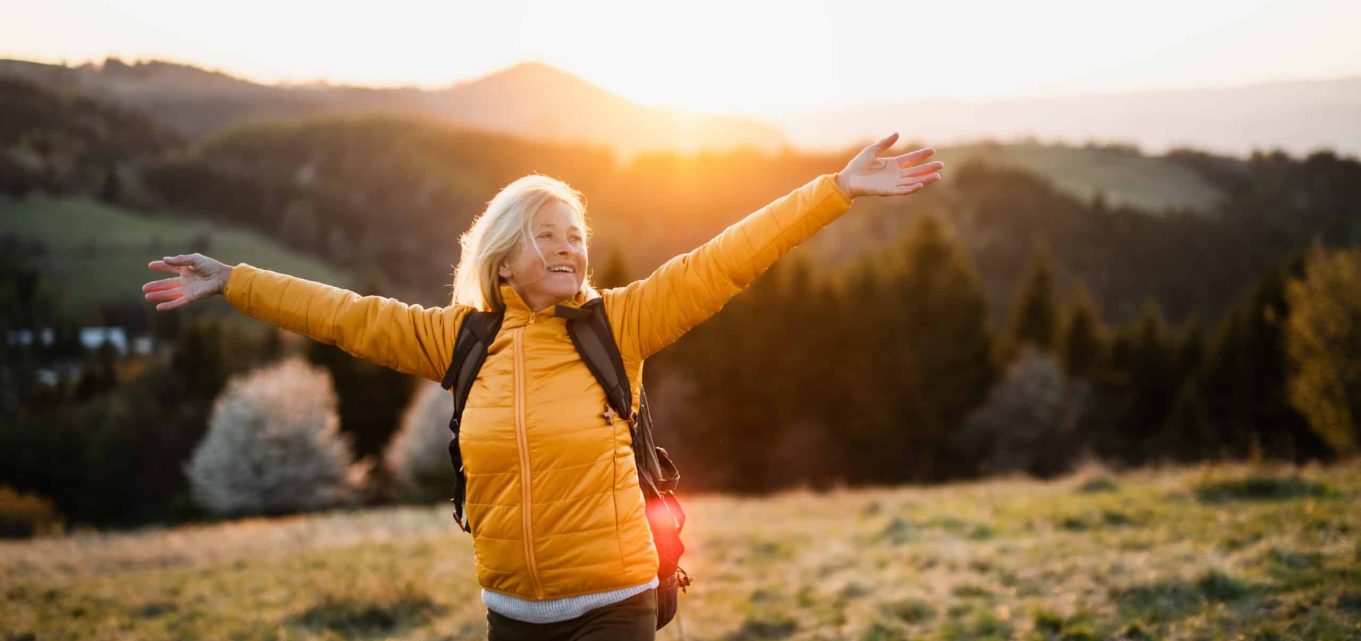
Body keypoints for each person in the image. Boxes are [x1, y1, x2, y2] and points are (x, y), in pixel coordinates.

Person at [142, 132, 942, 641]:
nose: (569, 248)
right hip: (511, 614)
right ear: (502, 255)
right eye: (547, 234)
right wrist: (233, 281)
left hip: (617, 603)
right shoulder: (460, 340)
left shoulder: (617, 325)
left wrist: (833, 190)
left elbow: (726, 258)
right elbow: (344, 316)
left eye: (577, 236)